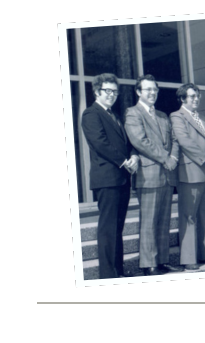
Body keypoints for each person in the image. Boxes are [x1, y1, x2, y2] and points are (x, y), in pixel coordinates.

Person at [124, 75, 184, 276]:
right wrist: (166, 158)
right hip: (148, 175)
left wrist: (173, 158)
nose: (152, 93)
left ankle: (163, 260)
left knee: (164, 221)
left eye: (155, 90)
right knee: (149, 222)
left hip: (167, 174)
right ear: (139, 92)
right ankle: (148, 264)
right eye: (147, 90)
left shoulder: (162, 115)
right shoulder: (133, 113)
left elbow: (174, 139)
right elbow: (140, 141)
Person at [81, 73, 139, 279]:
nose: (112, 95)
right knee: (108, 229)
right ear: (97, 91)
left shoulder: (114, 115)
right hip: (107, 179)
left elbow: (125, 143)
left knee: (117, 228)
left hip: (121, 178)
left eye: (115, 91)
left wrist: (133, 156)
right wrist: (124, 161)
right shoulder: (91, 114)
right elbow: (100, 142)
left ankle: (118, 272)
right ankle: (108, 275)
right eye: (108, 91)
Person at [170, 83, 205, 270]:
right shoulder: (177, 116)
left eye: (197, 96)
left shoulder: (203, 118)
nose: (196, 99)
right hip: (191, 173)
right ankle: (189, 259)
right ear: (182, 99)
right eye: (192, 96)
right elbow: (184, 141)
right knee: (189, 217)